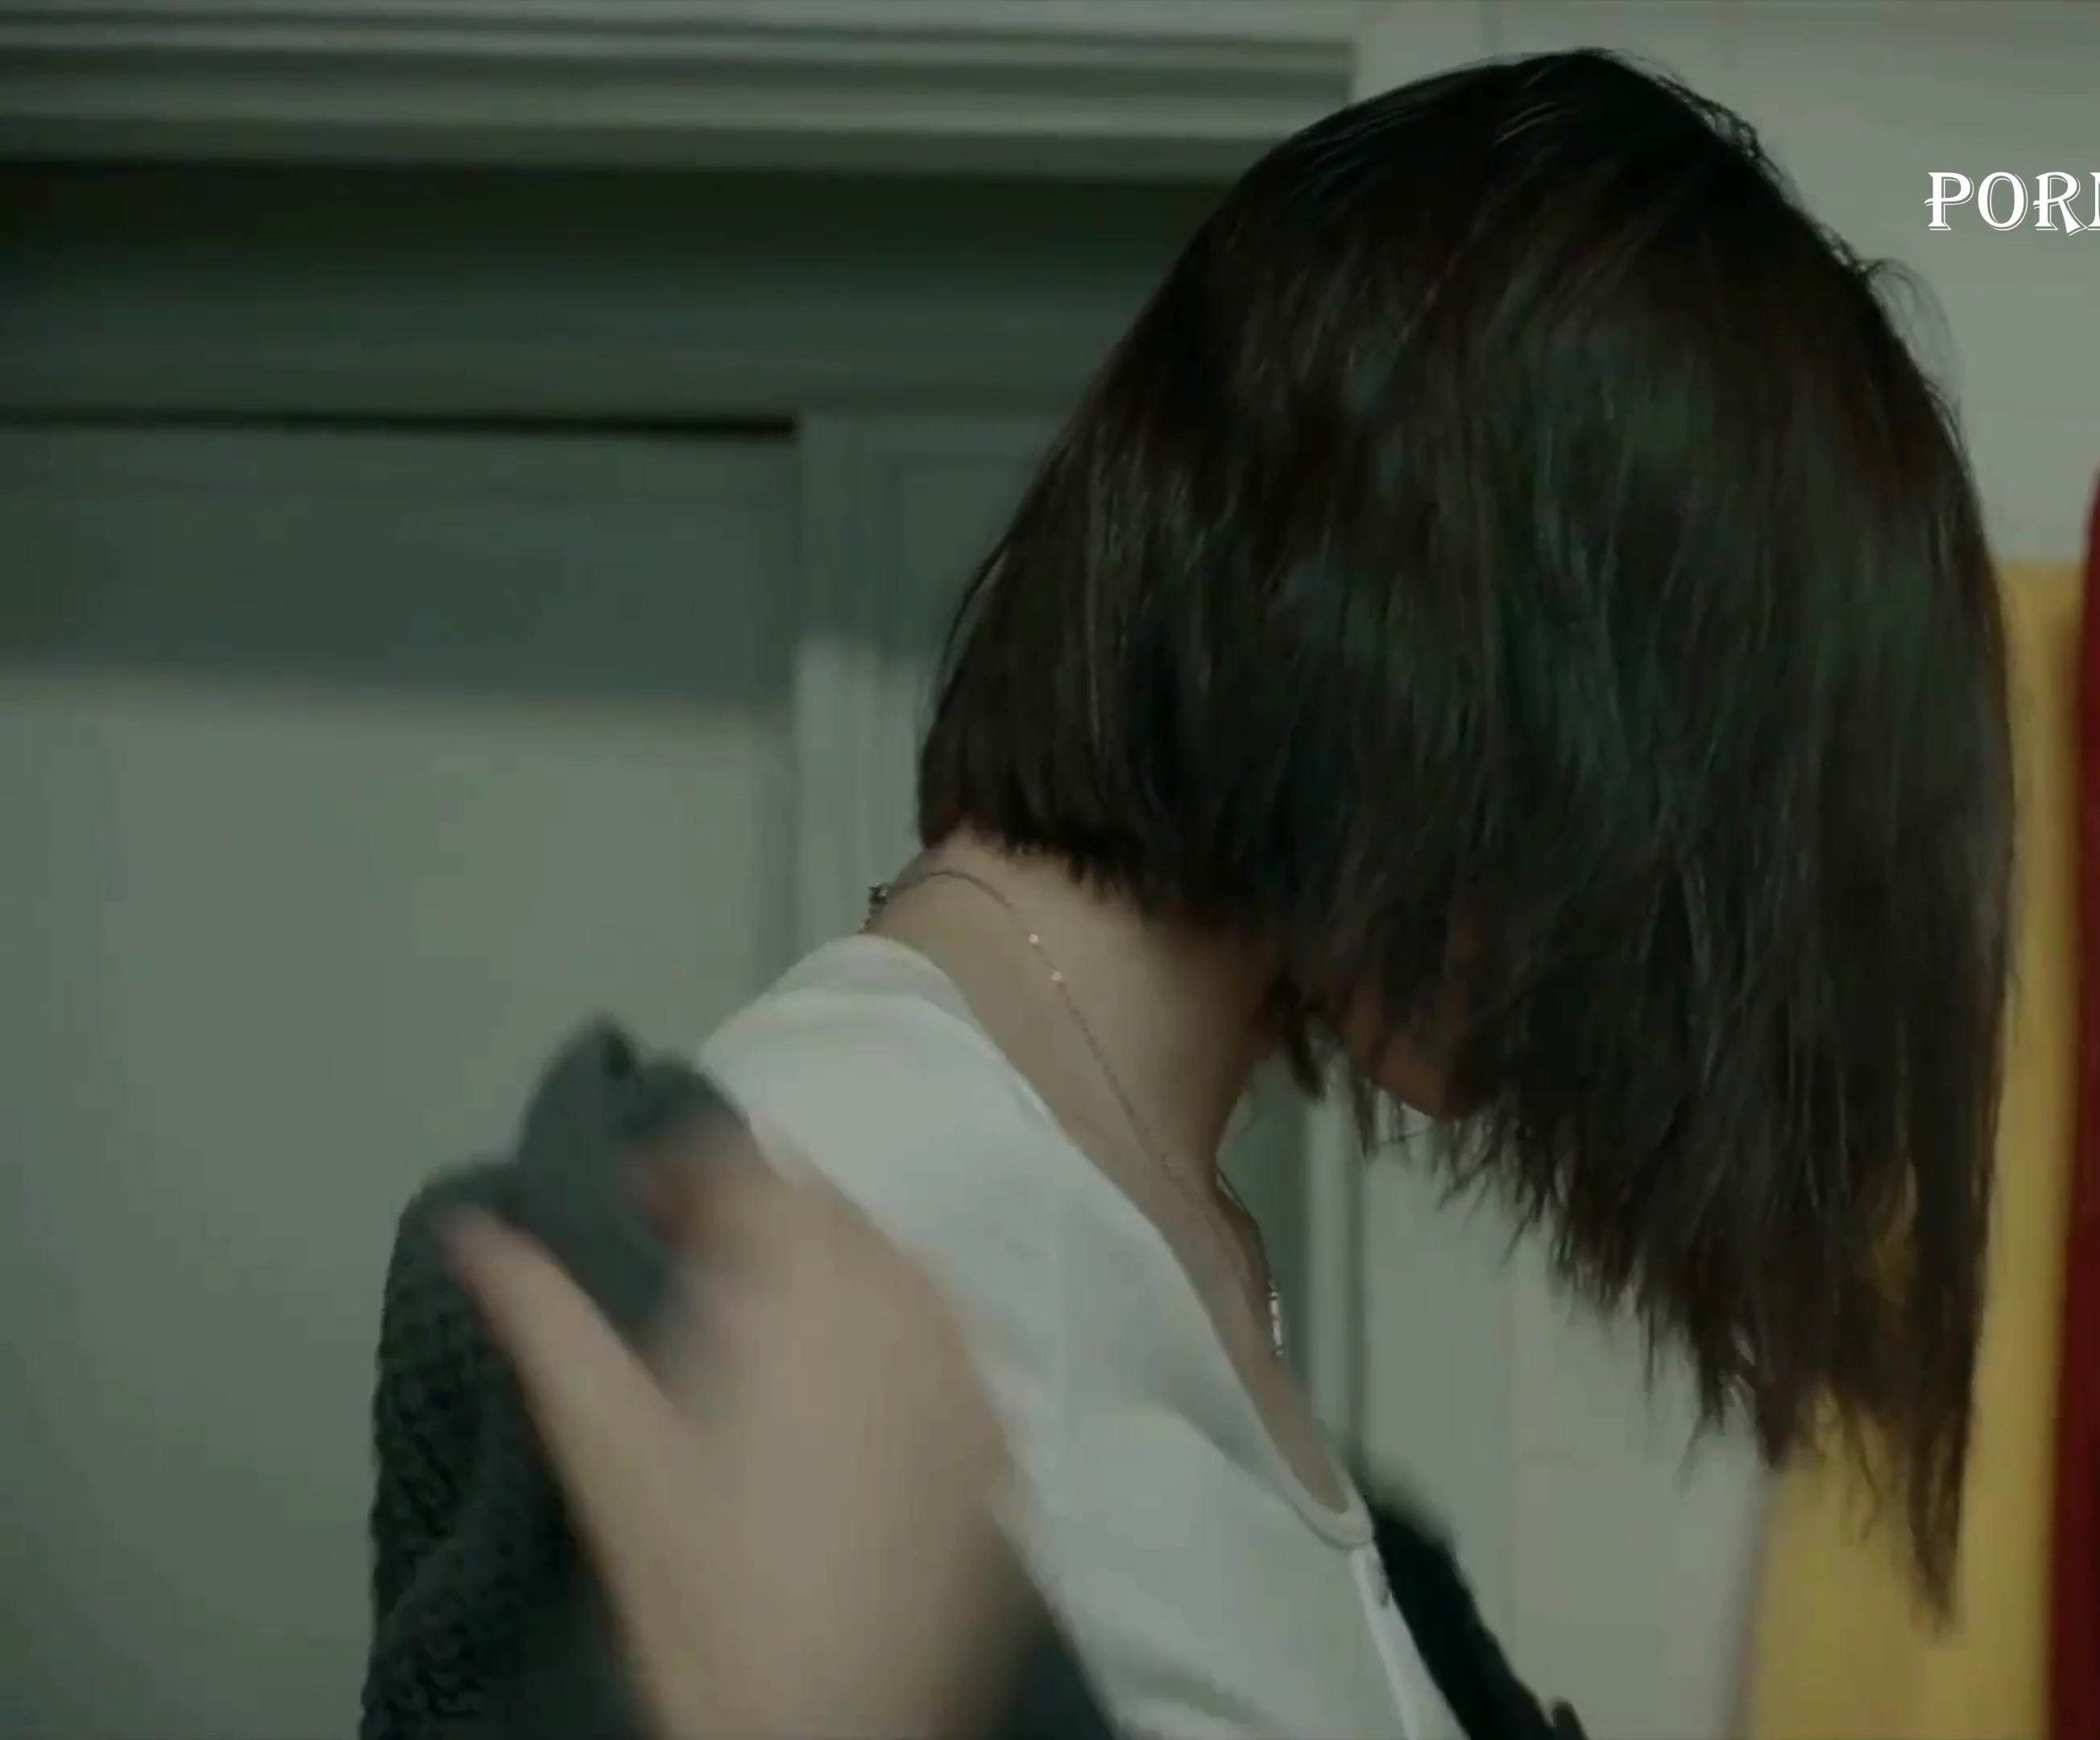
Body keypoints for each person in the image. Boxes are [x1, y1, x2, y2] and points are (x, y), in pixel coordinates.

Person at [448, 44, 2012, 1740]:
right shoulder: (811, 1205)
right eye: (1674, 808)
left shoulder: (1156, 1237)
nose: (1641, 961)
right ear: (1441, 630)